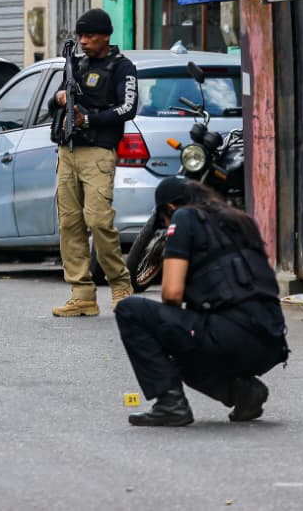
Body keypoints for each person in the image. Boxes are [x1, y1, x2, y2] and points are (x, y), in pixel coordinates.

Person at [115, 177, 289, 427]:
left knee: (129, 310)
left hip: (232, 337)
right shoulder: (241, 220)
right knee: (187, 349)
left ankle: (170, 404)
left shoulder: (184, 217)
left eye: (164, 221)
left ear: (170, 209)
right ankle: (245, 393)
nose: (166, 226)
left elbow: (172, 294)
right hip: (271, 343)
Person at [50, 8, 139, 317]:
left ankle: (120, 285)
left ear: (105, 36)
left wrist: (89, 118)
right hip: (68, 151)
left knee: (99, 221)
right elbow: (53, 101)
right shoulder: (74, 64)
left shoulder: (122, 67)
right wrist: (60, 98)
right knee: (69, 224)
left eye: (89, 36)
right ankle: (82, 294)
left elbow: (128, 108)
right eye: (81, 36)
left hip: (98, 152)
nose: (83, 41)